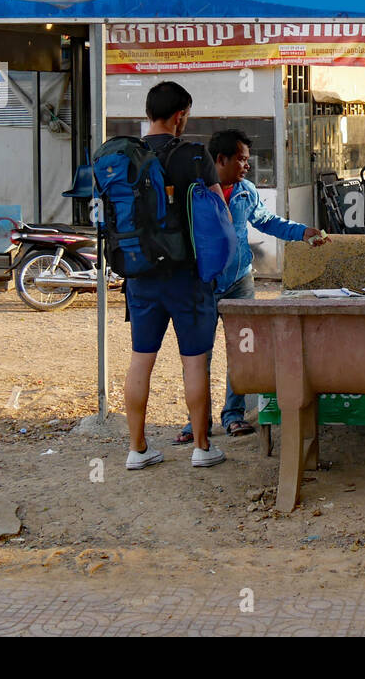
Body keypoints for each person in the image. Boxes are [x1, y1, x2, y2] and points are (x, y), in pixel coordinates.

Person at [175, 128, 325, 443]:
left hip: (240, 281)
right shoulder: (194, 191)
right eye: (241, 159)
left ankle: (234, 416)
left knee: (242, 352)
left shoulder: (246, 191)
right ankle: (196, 423)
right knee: (200, 355)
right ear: (220, 159)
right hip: (201, 285)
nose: (247, 165)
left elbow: (267, 221)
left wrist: (302, 232)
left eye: (247, 159)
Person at [121, 81, 229, 470]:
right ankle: (202, 447)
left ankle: (137, 449)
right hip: (187, 276)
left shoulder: (125, 156)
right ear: (180, 114)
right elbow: (221, 216)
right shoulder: (194, 154)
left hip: (140, 275)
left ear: (149, 113)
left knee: (140, 361)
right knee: (194, 362)